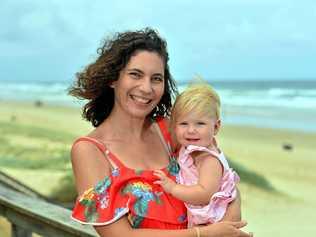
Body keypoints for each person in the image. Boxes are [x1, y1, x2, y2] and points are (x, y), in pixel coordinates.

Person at [69, 28, 252, 237]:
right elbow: (118, 235)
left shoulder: (172, 131)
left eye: (156, 78)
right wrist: (206, 234)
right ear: (113, 78)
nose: (146, 88)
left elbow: (224, 184)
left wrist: (227, 225)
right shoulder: (90, 150)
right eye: (135, 74)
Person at [154, 82, 240, 227]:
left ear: (216, 127)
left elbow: (204, 194)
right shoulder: (190, 148)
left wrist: (173, 188)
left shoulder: (208, 159)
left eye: (200, 123)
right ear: (174, 126)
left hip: (213, 221)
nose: (191, 130)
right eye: (183, 124)